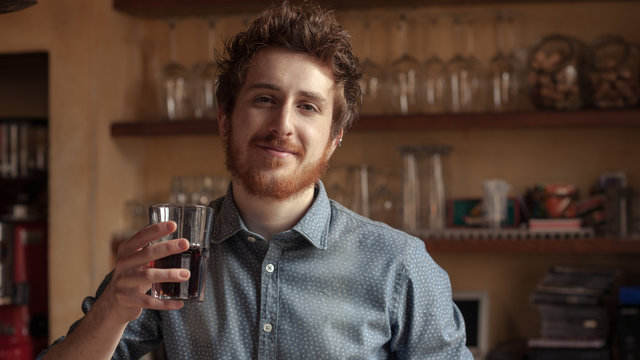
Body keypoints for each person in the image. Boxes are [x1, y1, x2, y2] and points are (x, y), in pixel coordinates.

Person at [40, 1, 472, 359]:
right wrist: (112, 309)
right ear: (225, 119)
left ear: (334, 139)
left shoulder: (399, 265)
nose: (282, 125)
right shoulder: (169, 257)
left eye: (308, 107)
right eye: (265, 98)